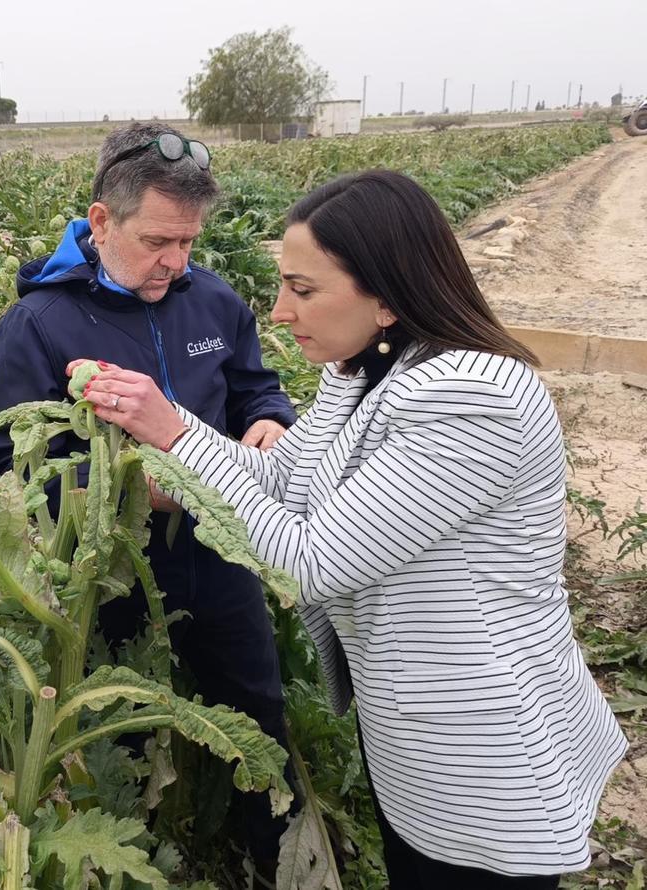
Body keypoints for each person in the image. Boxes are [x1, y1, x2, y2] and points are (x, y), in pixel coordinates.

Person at [75, 169, 628, 888]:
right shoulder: (363, 375)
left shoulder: (470, 398)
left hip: (484, 749)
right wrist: (172, 421)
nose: (277, 312)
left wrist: (174, 444)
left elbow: (307, 562)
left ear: (389, 296)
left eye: (303, 290)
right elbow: (278, 480)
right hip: (416, 734)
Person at [0, 122, 298, 861]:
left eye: (187, 242)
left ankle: (266, 855)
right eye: (159, 241)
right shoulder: (38, 324)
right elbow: (14, 472)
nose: (175, 261)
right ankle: (137, 861)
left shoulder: (213, 302)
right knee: (117, 742)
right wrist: (124, 493)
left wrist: (269, 425)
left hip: (223, 559)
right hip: (111, 577)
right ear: (101, 221)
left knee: (254, 710)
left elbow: (257, 389)